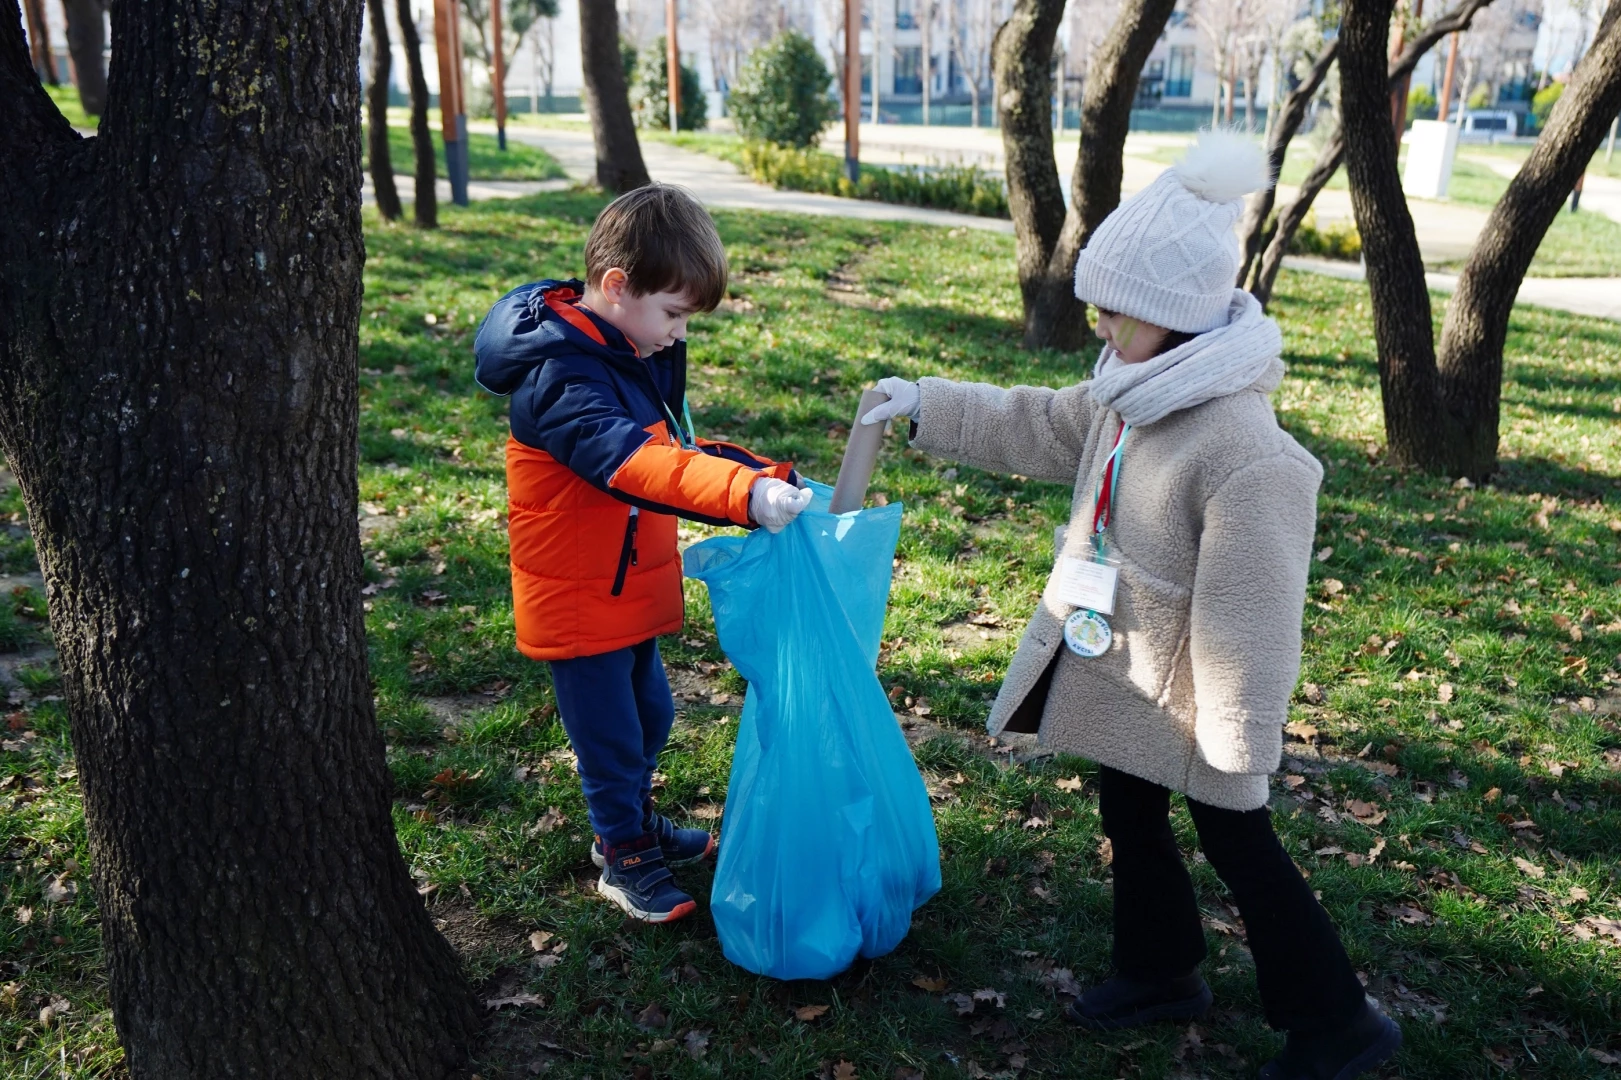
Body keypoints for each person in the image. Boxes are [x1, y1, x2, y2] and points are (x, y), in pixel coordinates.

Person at [861, 132, 1402, 1079]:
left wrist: (1238, 737)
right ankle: (1159, 970)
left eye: (1115, 313)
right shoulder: (1131, 392)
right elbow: (1037, 421)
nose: (1098, 331)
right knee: (1130, 813)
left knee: (1240, 841)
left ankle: (1339, 1021)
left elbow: (1256, 613)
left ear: (1175, 313)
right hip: (1123, 668)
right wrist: (927, 406)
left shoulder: (1247, 452)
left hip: (1200, 700)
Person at [473, 184, 813, 924]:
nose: (678, 335)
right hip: (577, 593)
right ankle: (622, 854)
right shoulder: (561, 377)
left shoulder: (623, 351)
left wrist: (764, 479)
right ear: (617, 287)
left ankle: (631, 822)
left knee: (650, 716)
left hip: (621, 584)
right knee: (611, 737)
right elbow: (634, 463)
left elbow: (677, 452)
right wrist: (739, 499)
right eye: (674, 315)